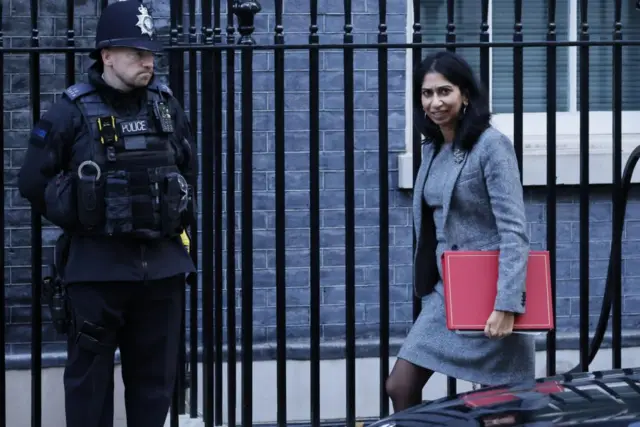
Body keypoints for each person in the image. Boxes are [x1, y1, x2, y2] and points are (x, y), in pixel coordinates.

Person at [18, 1, 196, 426]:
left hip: (162, 270)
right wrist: (80, 209)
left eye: (150, 53)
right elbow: (31, 182)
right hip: (97, 273)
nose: (147, 62)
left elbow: (187, 170)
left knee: (155, 387)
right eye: (136, 53)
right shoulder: (69, 113)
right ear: (107, 55)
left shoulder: (166, 108)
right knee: (89, 388)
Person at [384, 50, 535, 412]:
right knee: (399, 384)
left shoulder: (491, 146)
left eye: (445, 91)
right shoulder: (434, 148)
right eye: (427, 93)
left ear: (465, 94)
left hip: (491, 292)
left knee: (499, 412)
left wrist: (506, 305)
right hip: (446, 293)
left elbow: (514, 229)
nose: (435, 102)